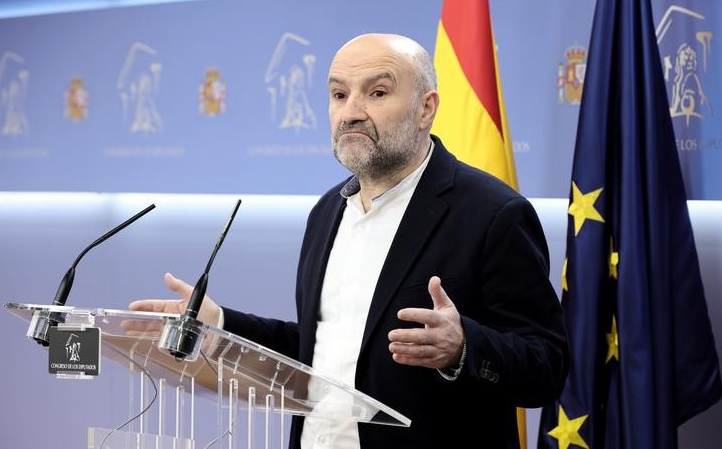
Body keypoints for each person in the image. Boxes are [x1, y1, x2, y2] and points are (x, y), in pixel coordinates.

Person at [131, 33, 569, 449]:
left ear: (425, 108)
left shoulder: (493, 214)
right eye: (339, 95)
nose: (352, 112)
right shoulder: (327, 212)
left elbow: (546, 366)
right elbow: (322, 348)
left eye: (377, 93)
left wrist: (463, 347)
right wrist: (222, 324)